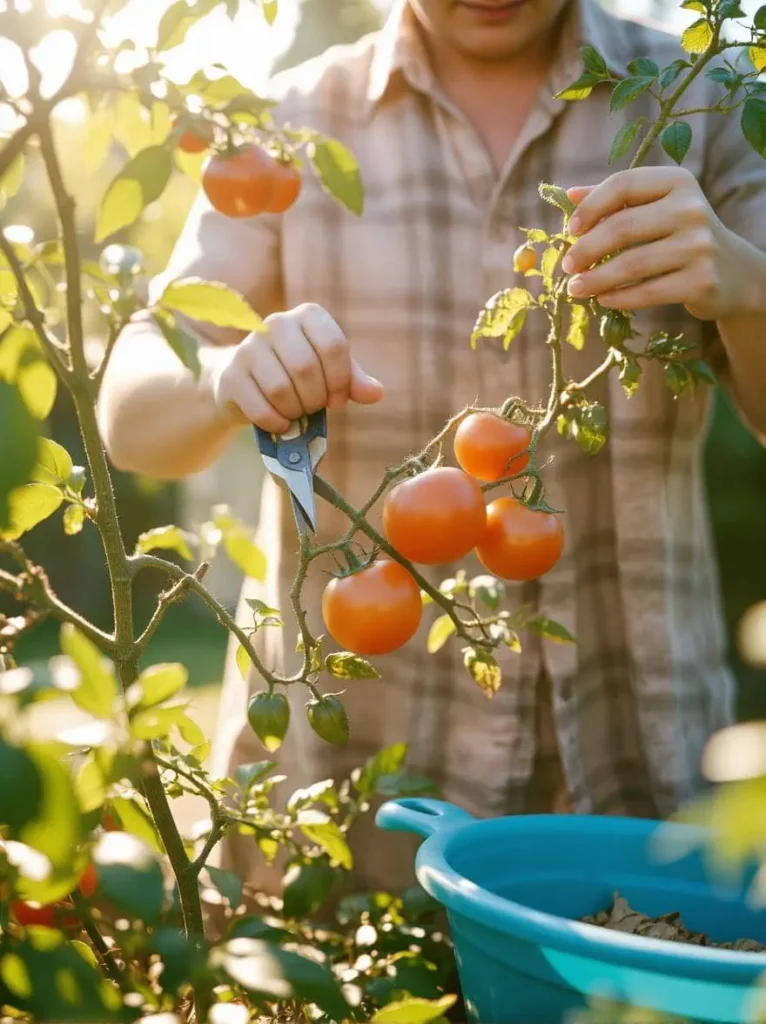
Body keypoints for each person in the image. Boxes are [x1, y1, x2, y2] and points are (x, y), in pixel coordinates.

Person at [99, 0, 766, 894]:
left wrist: (746, 286)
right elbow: (131, 410)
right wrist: (222, 377)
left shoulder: (705, 100)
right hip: (341, 789)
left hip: (636, 765)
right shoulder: (290, 122)